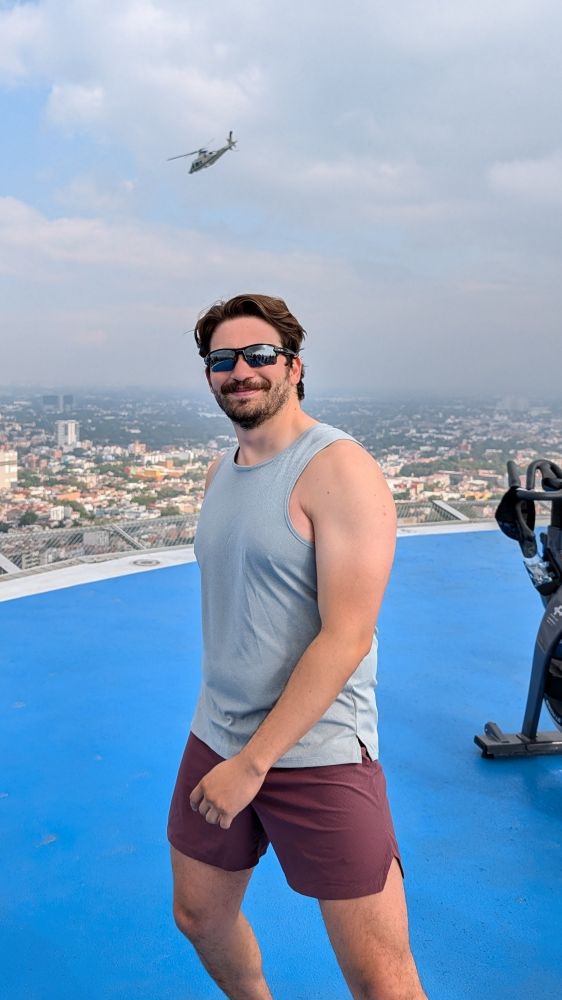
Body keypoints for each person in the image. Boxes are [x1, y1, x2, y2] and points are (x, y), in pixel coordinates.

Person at [168, 293, 427, 1000]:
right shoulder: (222, 472)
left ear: (295, 367)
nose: (241, 370)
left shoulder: (340, 471)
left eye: (258, 355)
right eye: (223, 360)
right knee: (199, 916)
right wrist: (232, 751)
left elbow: (347, 636)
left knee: (381, 977)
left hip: (318, 750)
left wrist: (255, 763)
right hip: (218, 734)